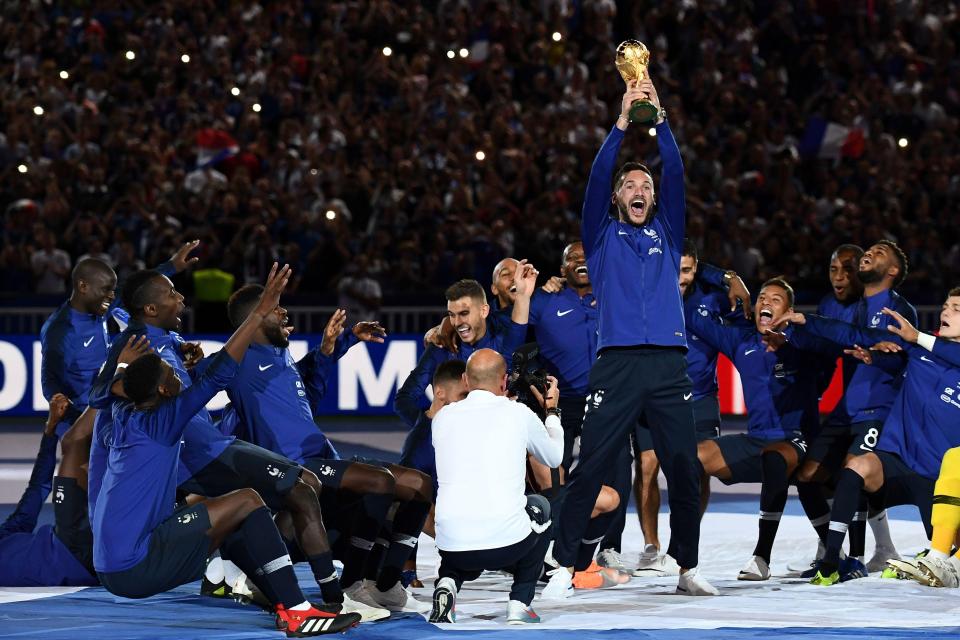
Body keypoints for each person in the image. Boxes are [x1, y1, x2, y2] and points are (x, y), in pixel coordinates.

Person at [93, 264, 359, 636]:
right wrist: (257, 314)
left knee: (240, 515)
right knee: (252, 499)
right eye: (173, 377)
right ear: (166, 393)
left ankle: (283, 602)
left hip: (117, 557)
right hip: (135, 562)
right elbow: (214, 375)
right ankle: (304, 607)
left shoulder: (128, 410)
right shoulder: (166, 418)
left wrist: (126, 369)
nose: (180, 378)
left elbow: (122, 381)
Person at [544, 76, 716, 598]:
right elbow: (597, 178)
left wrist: (659, 120)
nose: (640, 191)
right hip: (616, 365)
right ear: (618, 197)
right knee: (591, 466)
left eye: (646, 186)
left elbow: (679, 174)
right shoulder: (599, 237)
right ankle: (563, 567)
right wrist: (622, 123)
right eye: (631, 186)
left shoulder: (667, 232)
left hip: (667, 365)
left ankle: (686, 565)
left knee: (685, 468)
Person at [216, 292, 431, 616]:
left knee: (420, 485)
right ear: (256, 318)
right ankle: (352, 587)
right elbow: (198, 382)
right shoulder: (239, 362)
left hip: (324, 458)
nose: (285, 312)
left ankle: (386, 585)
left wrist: (336, 344)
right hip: (297, 467)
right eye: (276, 308)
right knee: (379, 483)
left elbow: (308, 388)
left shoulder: (281, 357)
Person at [770, 293, 960, 586]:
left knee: (945, 554)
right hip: (901, 460)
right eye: (945, 305)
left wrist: (918, 336)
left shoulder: (924, 342)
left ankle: (930, 553)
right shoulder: (918, 349)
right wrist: (808, 320)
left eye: (956, 309)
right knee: (858, 466)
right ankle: (834, 560)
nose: (946, 311)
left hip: (941, 480)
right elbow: (856, 333)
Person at [689, 277, 834, 580]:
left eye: (775, 299)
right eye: (762, 298)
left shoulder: (804, 344)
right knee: (693, 456)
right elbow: (692, 316)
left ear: (790, 311)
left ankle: (762, 557)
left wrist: (793, 341)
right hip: (756, 440)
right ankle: (682, 549)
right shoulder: (743, 343)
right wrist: (717, 276)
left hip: (797, 440)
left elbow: (830, 346)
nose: (765, 303)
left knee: (775, 458)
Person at [627, 241, 750, 576]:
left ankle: (681, 541)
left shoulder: (713, 301)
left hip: (700, 397)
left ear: (696, 269)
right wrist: (727, 275)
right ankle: (652, 547)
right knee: (648, 465)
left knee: (699, 469)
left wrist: (730, 279)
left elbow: (745, 325)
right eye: (676, 269)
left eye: (688, 270)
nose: (681, 278)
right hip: (650, 396)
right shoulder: (645, 292)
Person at [795, 241, 915, 578]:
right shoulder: (849, 309)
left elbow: (902, 361)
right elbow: (835, 340)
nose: (870, 255)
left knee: (854, 471)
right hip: (844, 411)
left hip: (878, 410)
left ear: (892, 271)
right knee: (807, 476)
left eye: (879, 253)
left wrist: (877, 354)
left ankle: (854, 558)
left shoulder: (898, 309)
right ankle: (835, 547)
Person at [429, 349, 563, 624]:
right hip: (507, 544)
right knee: (542, 507)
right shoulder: (518, 413)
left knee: (463, 514)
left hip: (452, 546)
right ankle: (519, 603)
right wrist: (551, 413)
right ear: (504, 382)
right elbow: (554, 458)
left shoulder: (442, 418)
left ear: (466, 380)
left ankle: (448, 583)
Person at [39, 242, 198, 436]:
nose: (112, 295)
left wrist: (172, 266)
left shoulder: (98, 307)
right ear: (83, 287)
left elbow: (133, 290)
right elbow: (50, 375)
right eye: (107, 290)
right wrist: (57, 398)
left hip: (106, 404)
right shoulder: (60, 329)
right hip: (81, 414)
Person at [394, 268, 537, 428]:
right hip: (455, 446)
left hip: (496, 439)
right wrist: (429, 427)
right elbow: (404, 398)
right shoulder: (442, 348)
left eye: (464, 313)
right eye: (452, 315)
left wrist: (523, 295)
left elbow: (519, 325)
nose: (457, 322)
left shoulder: (503, 340)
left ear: (484, 311)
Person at [0, 395, 98, 586]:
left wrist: (50, 430)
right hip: (70, 547)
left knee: (96, 455)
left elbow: (38, 487)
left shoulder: (8, 531)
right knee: (75, 440)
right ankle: (114, 379)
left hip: (82, 554)